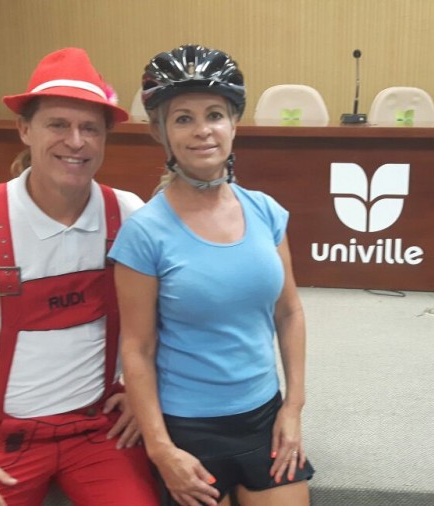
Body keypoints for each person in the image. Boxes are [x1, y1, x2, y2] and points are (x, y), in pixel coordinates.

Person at [0, 47, 160, 506]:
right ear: (24, 129)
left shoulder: (128, 213)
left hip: (100, 428)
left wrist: (146, 399)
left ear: (104, 138)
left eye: (90, 128)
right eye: (58, 124)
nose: (75, 141)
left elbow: (159, 319)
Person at [109, 45, 314, 506]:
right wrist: (161, 449)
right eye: (183, 118)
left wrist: (293, 408)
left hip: (263, 416)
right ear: (160, 131)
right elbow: (137, 348)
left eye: (215, 115)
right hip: (188, 428)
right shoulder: (144, 232)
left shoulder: (266, 212)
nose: (202, 130)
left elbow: (289, 313)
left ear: (234, 123)